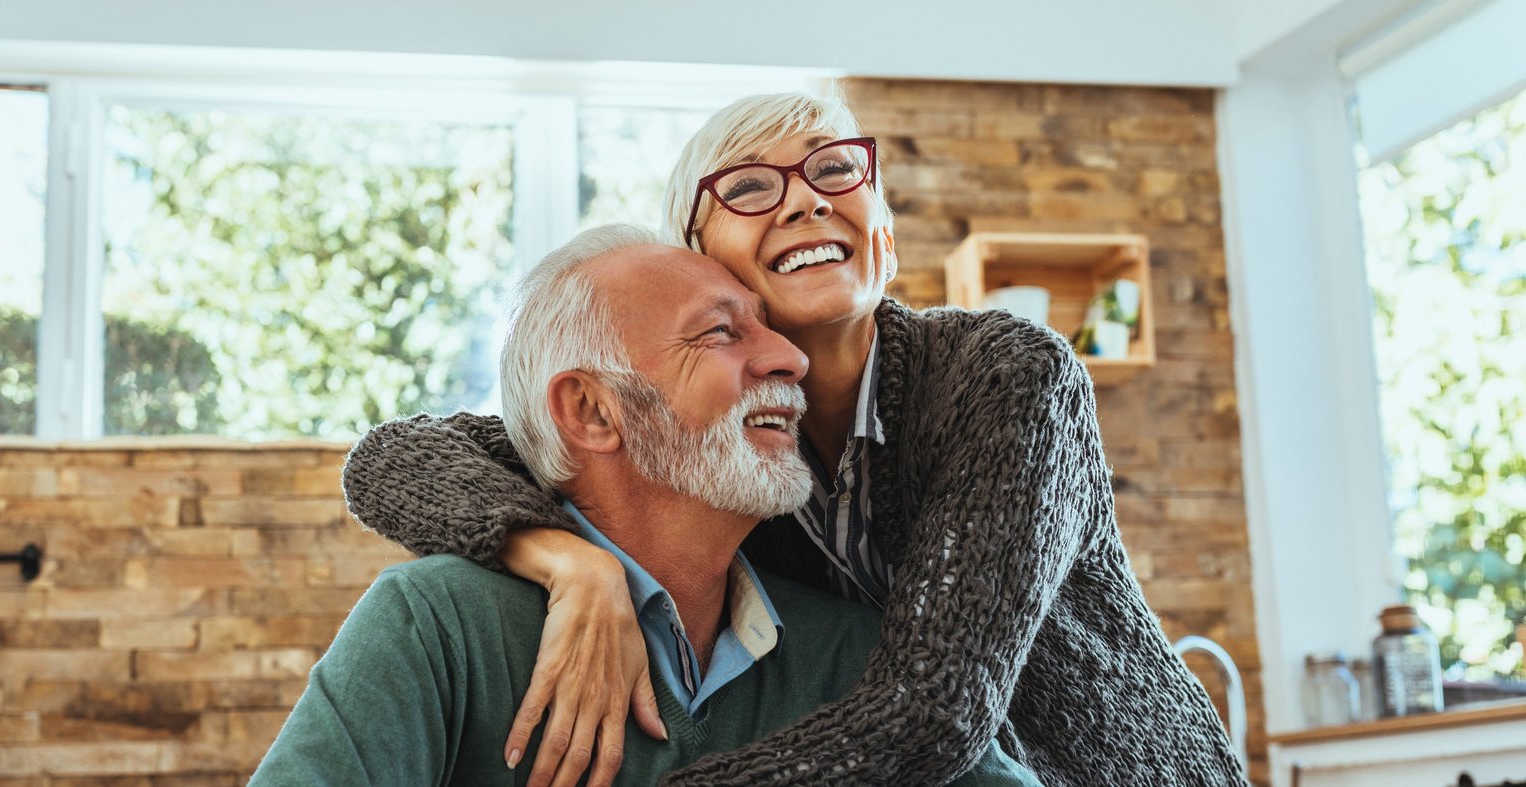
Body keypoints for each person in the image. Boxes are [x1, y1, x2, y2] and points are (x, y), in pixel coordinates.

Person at [341, 93, 1247, 786]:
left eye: (835, 172)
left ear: (883, 237)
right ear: (697, 257)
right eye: (748, 186)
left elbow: (932, 711)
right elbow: (395, 456)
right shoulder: (719, 452)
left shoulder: (1007, 376)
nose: (806, 201)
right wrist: (570, 561)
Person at [251, 226, 1043, 787]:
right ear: (594, 412)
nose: (789, 357)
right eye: (720, 333)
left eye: (766, 327)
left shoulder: (859, 654)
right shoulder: (439, 626)